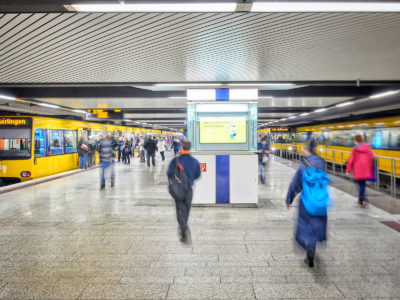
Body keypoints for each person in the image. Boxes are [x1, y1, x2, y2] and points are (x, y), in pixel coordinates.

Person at [286, 138, 328, 268]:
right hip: (321, 200)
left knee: (305, 225)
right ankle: (312, 249)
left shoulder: (304, 164)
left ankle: (308, 250)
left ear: (306, 149)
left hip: (306, 200)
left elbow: (296, 183)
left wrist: (289, 199)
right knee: (316, 225)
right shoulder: (322, 162)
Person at [167, 140, 201, 244]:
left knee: (179, 209)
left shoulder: (176, 160)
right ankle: (184, 228)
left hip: (178, 189)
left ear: (181, 147)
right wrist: (189, 179)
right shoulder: (194, 161)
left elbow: (169, 173)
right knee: (186, 210)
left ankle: (184, 228)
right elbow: (198, 174)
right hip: (188, 189)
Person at [346, 133, 375, 206]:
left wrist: (348, 170)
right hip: (366, 169)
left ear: (355, 140)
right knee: (363, 184)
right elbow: (372, 156)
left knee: (360, 184)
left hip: (358, 169)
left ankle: (362, 199)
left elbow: (351, 161)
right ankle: (362, 199)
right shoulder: (367, 147)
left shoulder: (355, 149)